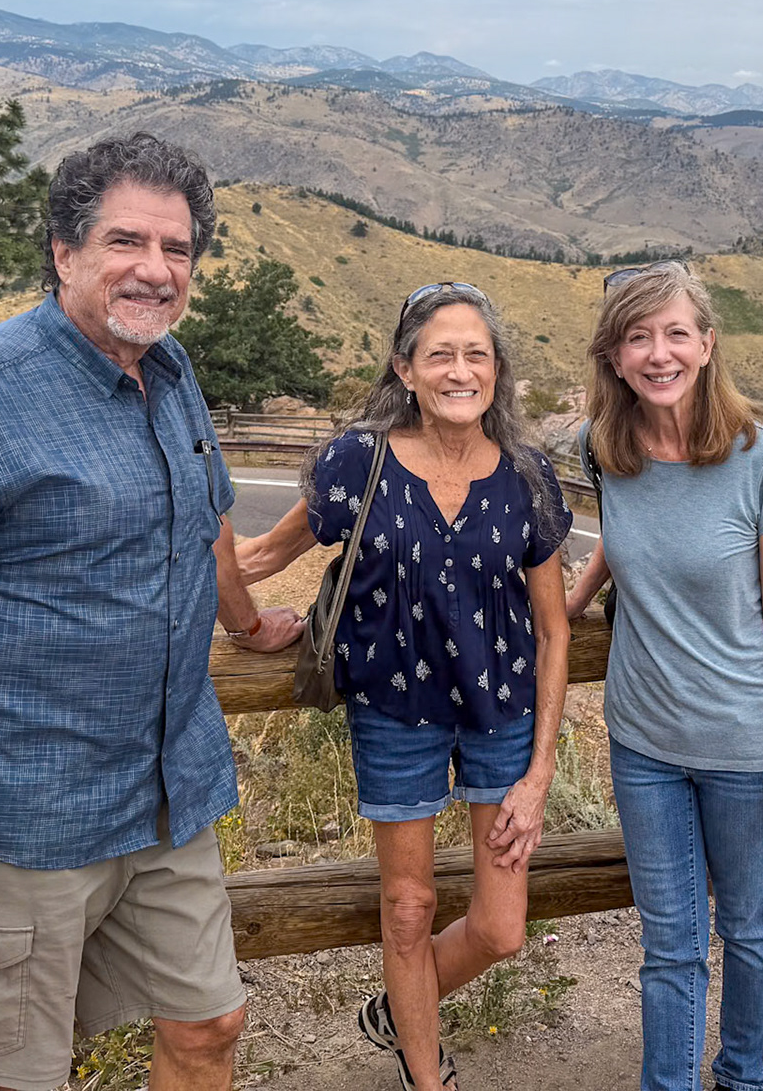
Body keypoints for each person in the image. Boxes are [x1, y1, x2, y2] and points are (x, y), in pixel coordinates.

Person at [0, 131, 303, 1091]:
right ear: (64, 252)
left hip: (168, 791)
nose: (154, 269)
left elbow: (207, 514)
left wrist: (246, 624)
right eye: (125, 242)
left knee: (210, 1024)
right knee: (8, 1072)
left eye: (176, 249)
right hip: (29, 810)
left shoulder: (169, 368)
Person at [236, 282, 572, 1090]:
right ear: (406, 368)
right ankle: (428, 1074)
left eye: (477, 355)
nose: (461, 371)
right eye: (441, 354)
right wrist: (228, 611)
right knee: (409, 907)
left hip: (503, 716)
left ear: (498, 371)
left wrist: (542, 771)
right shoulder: (360, 461)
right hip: (395, 712)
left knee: (500, 928)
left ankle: (398, 1005)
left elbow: (556, 629)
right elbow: (259, 557)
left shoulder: (528, 475)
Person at [565, 262, 763, 1091]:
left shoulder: (761, 458)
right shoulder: (603, 449)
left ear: (707, 345)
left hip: (743, 745)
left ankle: (742, 1077)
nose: (658, 353)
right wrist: (575, 598)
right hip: (642, 743)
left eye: (675, 333)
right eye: (638, 336)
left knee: (748, 930)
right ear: (614, 354)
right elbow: (630, 537)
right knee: (669, 942)